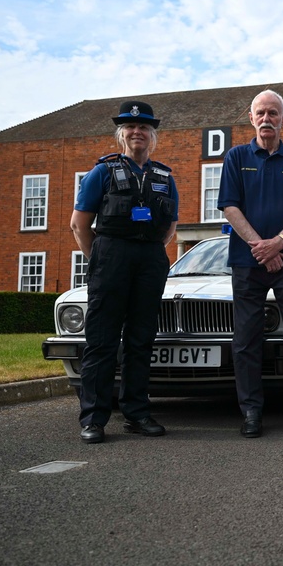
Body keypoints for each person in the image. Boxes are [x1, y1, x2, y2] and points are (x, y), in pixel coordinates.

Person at [71, 101, 177, 444]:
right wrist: (99, 259)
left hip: (149, 259)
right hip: (111, 256)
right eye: (131, 128)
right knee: (101, 342)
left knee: (140, 340)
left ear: (152, 135)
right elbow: (79, 224)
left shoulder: (163, 176)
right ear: (122, 133)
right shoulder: (101, 172)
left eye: (144, 128)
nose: (137, 133)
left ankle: (137, 413)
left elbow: (171, 226)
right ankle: (94, 419)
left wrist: (147, 249)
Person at [218, 89, 283, 438]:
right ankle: (251, 412)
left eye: (273, 113)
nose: (266, 119)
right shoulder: (235, 157)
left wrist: (277, 244)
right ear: (251, 119)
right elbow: (230, 207)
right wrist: (259, 247)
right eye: (260, 113)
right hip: (247, 263)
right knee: (246, 340)